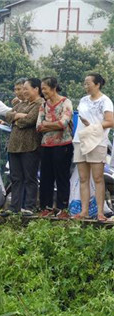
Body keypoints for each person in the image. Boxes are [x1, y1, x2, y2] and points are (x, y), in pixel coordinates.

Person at [71, 73, 113, 221]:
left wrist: (92, 126)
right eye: (85, 83)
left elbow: (110, 121)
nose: (85, 86)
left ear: (97, 84)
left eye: (88, 83)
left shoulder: (105, 101)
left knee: (97, 177)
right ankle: (84, 211)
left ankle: (100, 212)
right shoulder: (83, 100)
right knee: (83, 178)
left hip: (97, 142)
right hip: (81, 140)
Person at [3, 78, 43, 216]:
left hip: (30, 146)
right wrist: (18, 116)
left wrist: (16, 120)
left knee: (30, 177)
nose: (24, 91)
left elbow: (30, 120)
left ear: (36, 89)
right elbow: (7, 115)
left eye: (26, 88)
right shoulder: (21, 104)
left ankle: (29, 206)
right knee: (16, 178)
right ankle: (14, 206)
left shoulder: (40, 104)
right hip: (14, 146)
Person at [36, 76, 74, 218]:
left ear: (53, 88)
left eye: (45, 88)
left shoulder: (66, 102)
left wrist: (47, 124)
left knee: (62, 177)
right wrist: (53, 125)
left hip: (63, 145)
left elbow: (63, 123)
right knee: (46, 177)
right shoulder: (43, 105)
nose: (43, 91)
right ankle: (46, 207)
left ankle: (62, 208)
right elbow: (38, 126)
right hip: (46, 145)